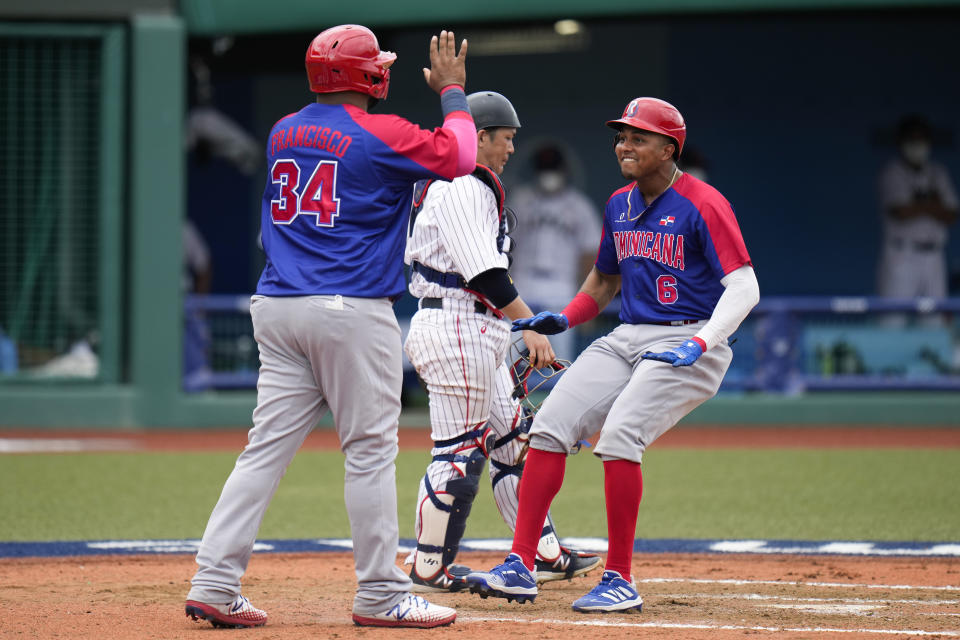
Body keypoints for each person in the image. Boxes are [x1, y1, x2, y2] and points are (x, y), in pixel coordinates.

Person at [184, 25, 478, 629]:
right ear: (368, 76)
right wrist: (452, 92)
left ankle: (214, 581)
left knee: (263, 451)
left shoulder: (284, 130)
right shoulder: (384, 132)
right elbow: (463, 156)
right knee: (369, 453)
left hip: (278, 305)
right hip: (348, 309)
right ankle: (379, 592)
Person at [465, 97, 760, 612]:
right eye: (621, 137)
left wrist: (701, 343)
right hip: (629, 334)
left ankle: (620, 578)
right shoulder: (619, 203)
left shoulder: (703, 202)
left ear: (669, 147)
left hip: (689, 340)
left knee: (621, 435)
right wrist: (564, 317)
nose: (624, 145)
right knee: (550, 424)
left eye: (638, 137)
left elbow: (744, 287)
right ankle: (520, 564)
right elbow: (603, 280)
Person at [402, 92, 601, 593]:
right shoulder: (462, 183)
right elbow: (486, 274)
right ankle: (429, 568)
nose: (512, 149)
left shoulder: (464, 184)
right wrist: (529, 325)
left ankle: (541, 551)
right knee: (458, 454)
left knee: (512, 439)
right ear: (480, 136)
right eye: (505, 139)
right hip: (455, 324)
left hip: (473, 326)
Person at [508, 143, 601, 360]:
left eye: (552, 168)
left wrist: (585, 297)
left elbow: (590, 254)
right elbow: (507, 246)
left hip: (561, 287)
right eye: (544, 168)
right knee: (507, 358)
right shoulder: (521, 199)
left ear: (564, 171)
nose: (548, 174)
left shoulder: (579, 205)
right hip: (522, 285)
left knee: (559, 360)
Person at [876, 114, 958, 324]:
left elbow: (951, 214)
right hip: (902, 253)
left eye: (921, 139)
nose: (917, 145)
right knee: (892, 319)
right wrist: (933, 203)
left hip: (934, 255)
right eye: (912, 139)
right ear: (901, 142)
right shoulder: (892, 172)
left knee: (935, 321)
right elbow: (901, 212)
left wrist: (919, 204)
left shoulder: (938, 173)